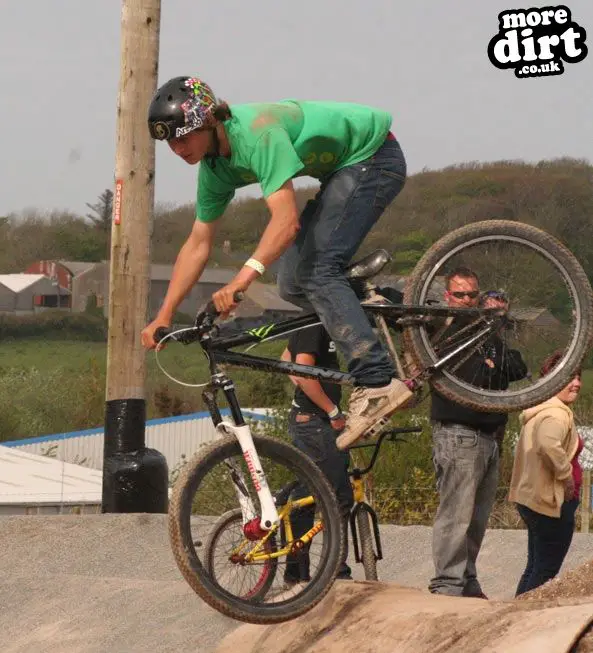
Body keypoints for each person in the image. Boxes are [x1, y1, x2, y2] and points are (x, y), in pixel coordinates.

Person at [141, 76, 412, 447]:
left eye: (183, 137)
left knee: (317, 272)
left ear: (209, 122)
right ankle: (381, 306)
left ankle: (378, 380)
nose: (176, 148)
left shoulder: (257, 135)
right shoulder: (214, 170)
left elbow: (286, 223)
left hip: (374, 156)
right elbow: (198, 244)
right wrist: (165, 314)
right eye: (169, 141)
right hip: (342, 170)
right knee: (291, 284)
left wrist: (241, 280)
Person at [428, 268, 527, 599]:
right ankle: (447, 583)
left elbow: (517, 367)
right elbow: (473, 376)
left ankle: (467, 578)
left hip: (489, 436)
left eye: (474, 295)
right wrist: (489, 369)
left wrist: (493, 360)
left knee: (477, 518)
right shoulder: (445, 331)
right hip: (458, 431)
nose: (468, 300)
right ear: (448, 297)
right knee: (456, 513)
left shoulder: (487, 334)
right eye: (461, 295)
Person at [280, 323, 354, 583]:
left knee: (306, 495)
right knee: (338, 496)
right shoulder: (315, 324)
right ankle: (336, 572)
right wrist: (332, 410)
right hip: (316, 422)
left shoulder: (310, 323)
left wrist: (303, 386)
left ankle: (296, 572)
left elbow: (285, 359)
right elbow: (301, 367)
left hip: (309, 420)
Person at [510, 352, 583, 596]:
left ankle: (512, 614)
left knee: (534, 567)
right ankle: (524, 621)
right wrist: (567, 477)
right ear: (552, 380)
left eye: (578, 377)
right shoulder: (556, 414)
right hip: (552, 502)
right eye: (569, 377)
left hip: (534, 500)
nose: (577, 383)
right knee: (545, 571)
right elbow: (547, 443)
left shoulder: (540, 410)